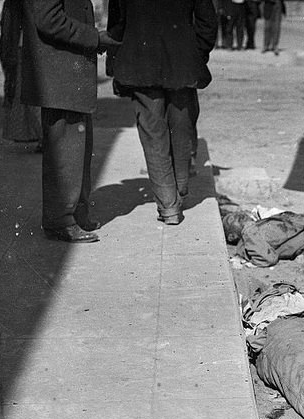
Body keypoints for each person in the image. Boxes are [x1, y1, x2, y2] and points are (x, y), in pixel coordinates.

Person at [107, 0, 217, 225]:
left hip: (140, 61)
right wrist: (195, 54)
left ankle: (169, 207)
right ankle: (181, 186)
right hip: (181, 62)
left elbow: (117, 25)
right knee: (181, 127)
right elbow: (208, 23)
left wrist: (115, 63)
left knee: (153, 134)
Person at [21, 0, 120, 243]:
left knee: (76, 150)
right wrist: (94, 38)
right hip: (59, 75)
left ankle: (76, 212)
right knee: (64, 154)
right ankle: (60, 221)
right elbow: (49, 21)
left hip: (67, 74)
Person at [0, 0, 42, 147]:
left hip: (25, 48)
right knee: (24, 96)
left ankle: (43, 138)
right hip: (23, 47)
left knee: (28, 96)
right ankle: (36, 136)